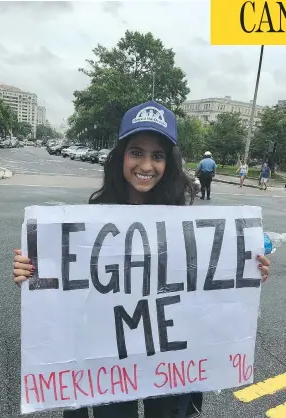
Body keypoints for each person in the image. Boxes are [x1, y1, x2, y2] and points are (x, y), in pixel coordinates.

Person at [13, 100, 270, 418]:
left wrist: (246, 269)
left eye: (157, 155)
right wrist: (33, 271)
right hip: (108, 361)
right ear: (121, 155)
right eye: (137, 152)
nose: (146, 165)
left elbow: (207, 287)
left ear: (169, 162)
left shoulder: (185, 222)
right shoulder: (88, 221)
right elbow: (66, 292)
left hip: (169, 361)